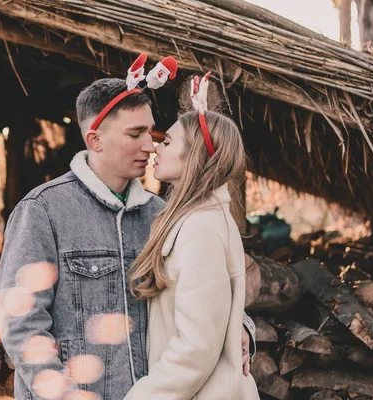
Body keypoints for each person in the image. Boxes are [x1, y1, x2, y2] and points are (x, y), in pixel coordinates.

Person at [0, 76, 255, 400]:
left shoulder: (164, 216)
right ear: (95, 140)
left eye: (150, 131)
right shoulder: (44, 211)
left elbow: (205, 291)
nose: (150, 144)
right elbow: (22, 325)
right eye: (135, 134)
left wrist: (241, 327)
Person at [124, 74, 260, 399]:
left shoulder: (200, 229)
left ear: (195, 155)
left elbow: (196, 348)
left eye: (167, 142)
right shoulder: (199, 218)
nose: (156, 146)